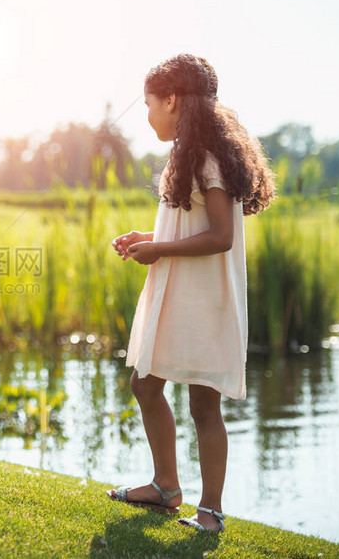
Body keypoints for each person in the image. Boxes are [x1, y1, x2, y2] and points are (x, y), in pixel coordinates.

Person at [108, 54, 276, 533]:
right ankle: (165, 488)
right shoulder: (189, 152)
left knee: (204, 404)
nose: (147, 115)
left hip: (204, 299)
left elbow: (221, 235)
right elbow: (190, 221)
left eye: (149, 104)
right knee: (145, 382)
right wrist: (150, 237)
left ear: (172, 99)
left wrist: (160, 248)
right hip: (178, 291)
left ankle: (211, 511)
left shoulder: (207, 156)